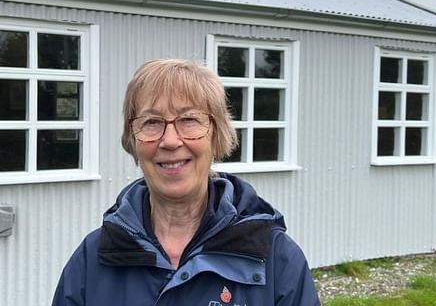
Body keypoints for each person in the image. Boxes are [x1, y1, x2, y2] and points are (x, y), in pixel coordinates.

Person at [52, 59, 319, 305]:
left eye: (189, 119)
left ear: (217, 135)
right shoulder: (93, 258)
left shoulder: (276, 260)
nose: (170, 141)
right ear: (132, 139)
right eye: (152, 122)